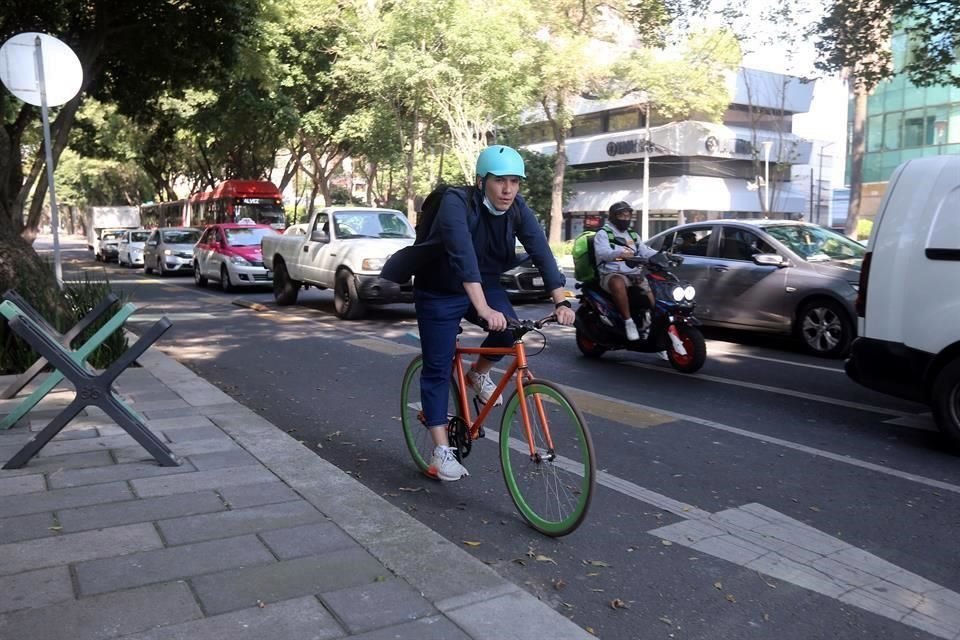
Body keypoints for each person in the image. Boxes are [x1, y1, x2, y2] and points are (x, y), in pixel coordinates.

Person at [412, 145, 575, 481]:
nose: (508, 189)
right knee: (438, 366)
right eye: (500, 181)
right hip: (439, 288)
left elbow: (540, 250)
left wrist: (561, 301)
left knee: (510, 331)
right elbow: (462, 254)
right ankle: (441, 451)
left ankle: (477, 374)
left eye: (514, 181)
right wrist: (483, 308)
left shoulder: (517, 208)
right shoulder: (456, 202)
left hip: (483, 283)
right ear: (481, 181)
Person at [593, 201, 657, 342]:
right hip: (611, 273)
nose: (625, 219)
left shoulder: (632, 235)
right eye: (622, 216)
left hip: (633, 273)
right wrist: (620, 253)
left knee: (651, 288)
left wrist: (661, 255)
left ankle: (653, 324)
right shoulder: (604, 233)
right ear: (613, 217)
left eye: (628, 216)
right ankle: (628, 322)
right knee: (617, 283)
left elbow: (644, 250)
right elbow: (603, 253)